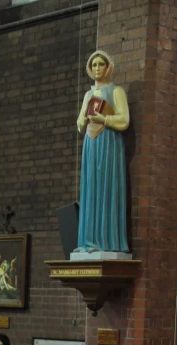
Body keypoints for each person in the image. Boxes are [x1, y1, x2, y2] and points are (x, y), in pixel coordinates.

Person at [76, 50, 130, 253]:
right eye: (94, 65)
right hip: (91, 145)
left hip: (108, 144)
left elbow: (124, 120)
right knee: (91, 189)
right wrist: (82, 121)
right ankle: (88, 241)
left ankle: (106, 241)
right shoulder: (88, 95)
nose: (97, 68)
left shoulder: (116, 91)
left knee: (106, 187)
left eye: (101, 64)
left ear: (108, 68)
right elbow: (80, 122)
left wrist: (104, 120)